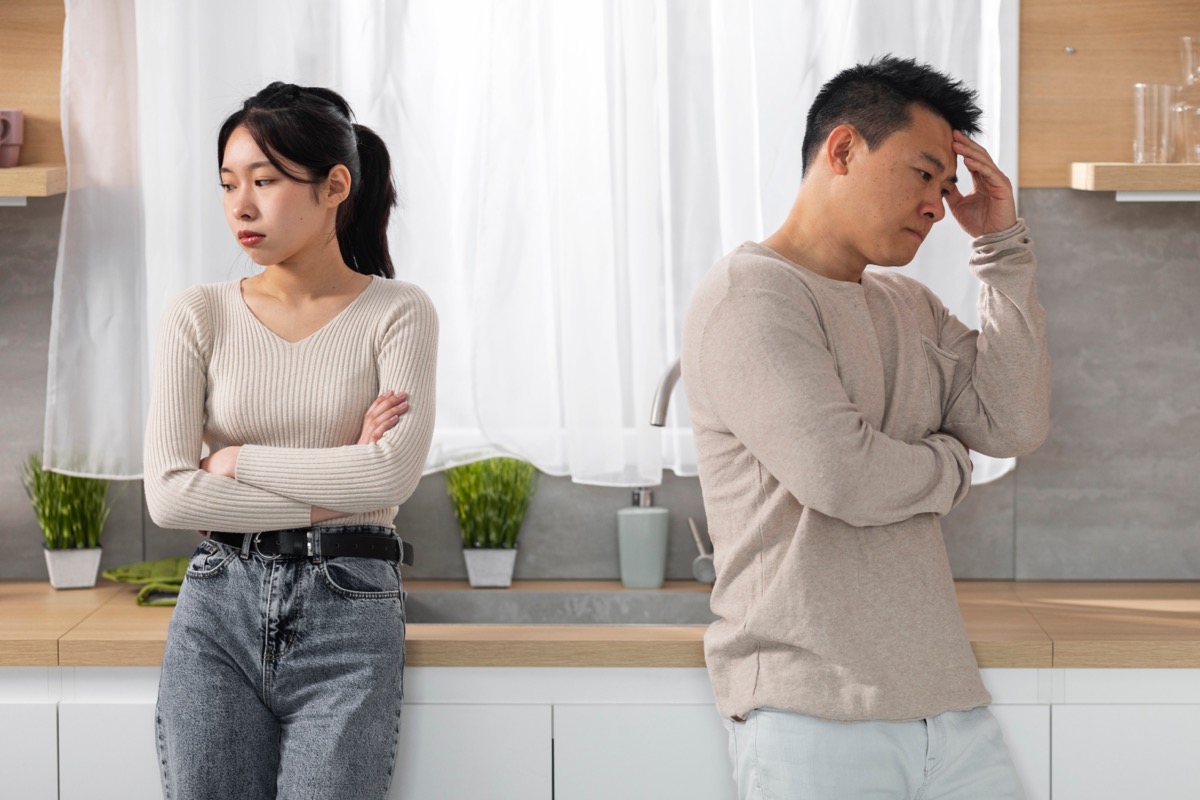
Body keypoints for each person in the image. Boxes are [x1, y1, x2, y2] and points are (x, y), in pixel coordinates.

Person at [681, 55, 1049, 799]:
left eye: (948, 187)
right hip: (810, 713)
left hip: (945, 703)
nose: (939, 207)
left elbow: (1013, 424)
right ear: (843, 149)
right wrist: (951, 467)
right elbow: (842, 476)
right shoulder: (750, 295)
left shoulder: (907, 307)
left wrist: (1001, 250)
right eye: (923, 175)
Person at [144, 82, 438, 799]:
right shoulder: (199, 315)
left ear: (335, 184)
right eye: (228, 184)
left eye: (265, 181)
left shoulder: (397, 313)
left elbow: (388, 480)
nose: (240, 205)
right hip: (220, 605)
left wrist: (237, 463)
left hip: (351, 613)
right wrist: (337, 484)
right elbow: (170, 494)